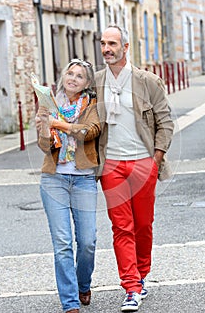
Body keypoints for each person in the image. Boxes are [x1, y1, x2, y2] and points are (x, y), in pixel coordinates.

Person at [95, 25, 174, 312]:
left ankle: (142, 274)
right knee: (121, 227)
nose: (107, 48)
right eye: (103, 43)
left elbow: (165, 122)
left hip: (143, 162)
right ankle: (131, 286)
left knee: (143, 225)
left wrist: (155, 160)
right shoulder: (96, 82)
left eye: (112, 43)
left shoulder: (147, 81)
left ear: (125, 47)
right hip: (111, 166)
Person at [35, 59, 100, 313]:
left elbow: (91, 131)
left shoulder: (91, 105)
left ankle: (83, 283)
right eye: (70, 73)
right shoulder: (48, 104)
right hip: (54, 180)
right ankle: (70, 302)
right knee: (62, 243)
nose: (73, 78)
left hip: (83, 179)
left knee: (87, 241)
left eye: (80, 76)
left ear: (87, 83)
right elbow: (43, 146)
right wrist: (44, 128)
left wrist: (60, 124)